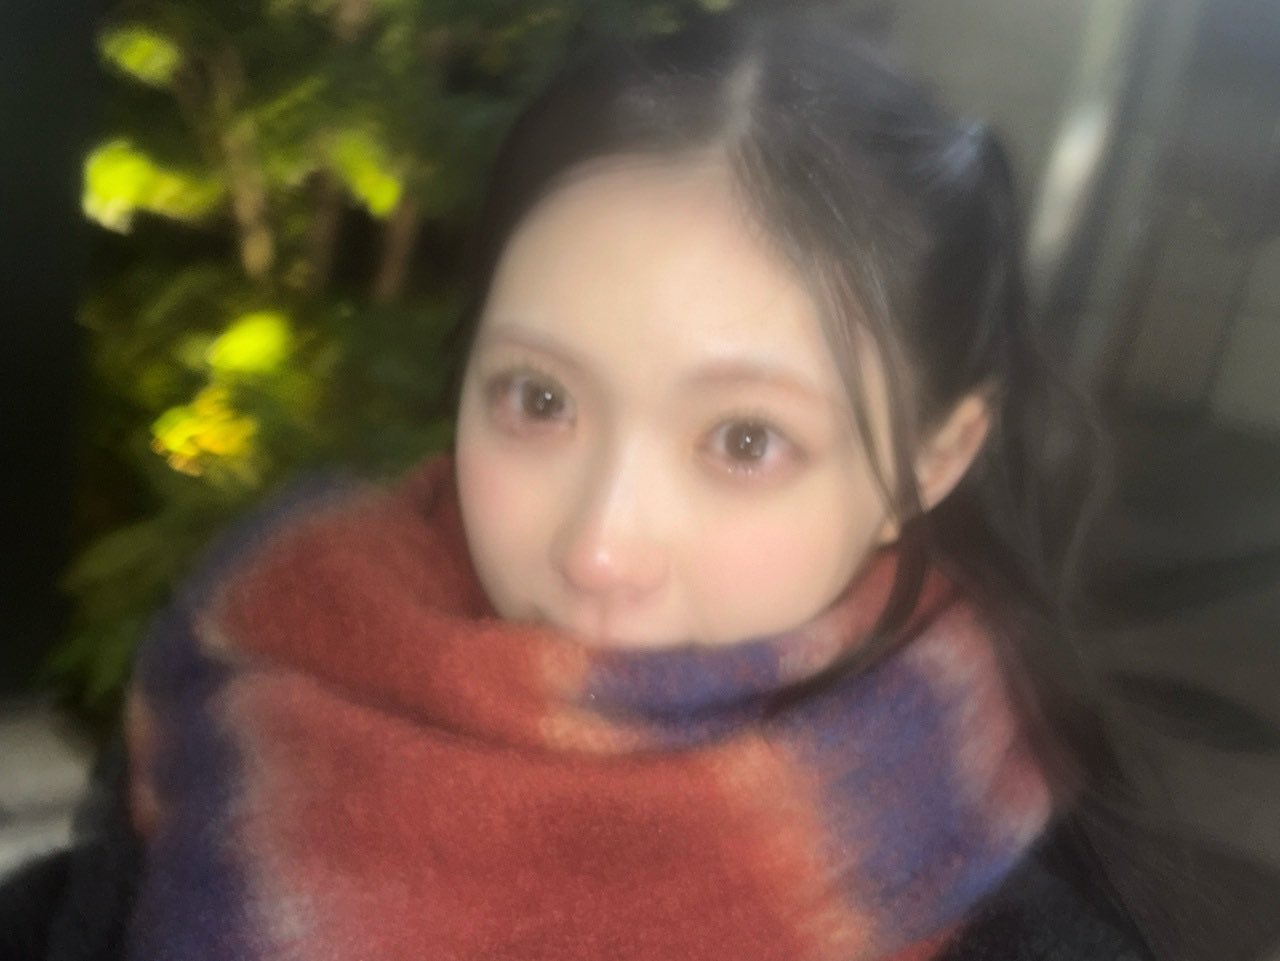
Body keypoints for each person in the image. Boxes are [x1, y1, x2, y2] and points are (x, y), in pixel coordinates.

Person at [4, 7, 1276, 961]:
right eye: (538, 400)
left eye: (744, 441)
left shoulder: (1001, 905)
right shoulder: (260, 660)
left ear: (929, 463)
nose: (598, 549)